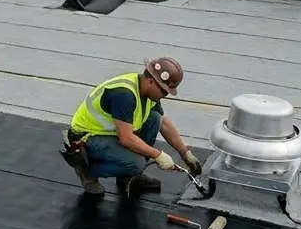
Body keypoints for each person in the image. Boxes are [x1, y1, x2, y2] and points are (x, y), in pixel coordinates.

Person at [62, 56, 202, 198]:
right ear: (151, 81)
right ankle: (87, 170)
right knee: (137, 163)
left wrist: (185, 154)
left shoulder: (148, 92)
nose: (165, 95)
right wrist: (158, 155)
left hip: (111, 133)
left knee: (155, 119)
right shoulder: (124, 95)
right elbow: (126, 138)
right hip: (86, 137)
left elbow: (164, 123)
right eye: (164, 91)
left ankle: (129, 176)